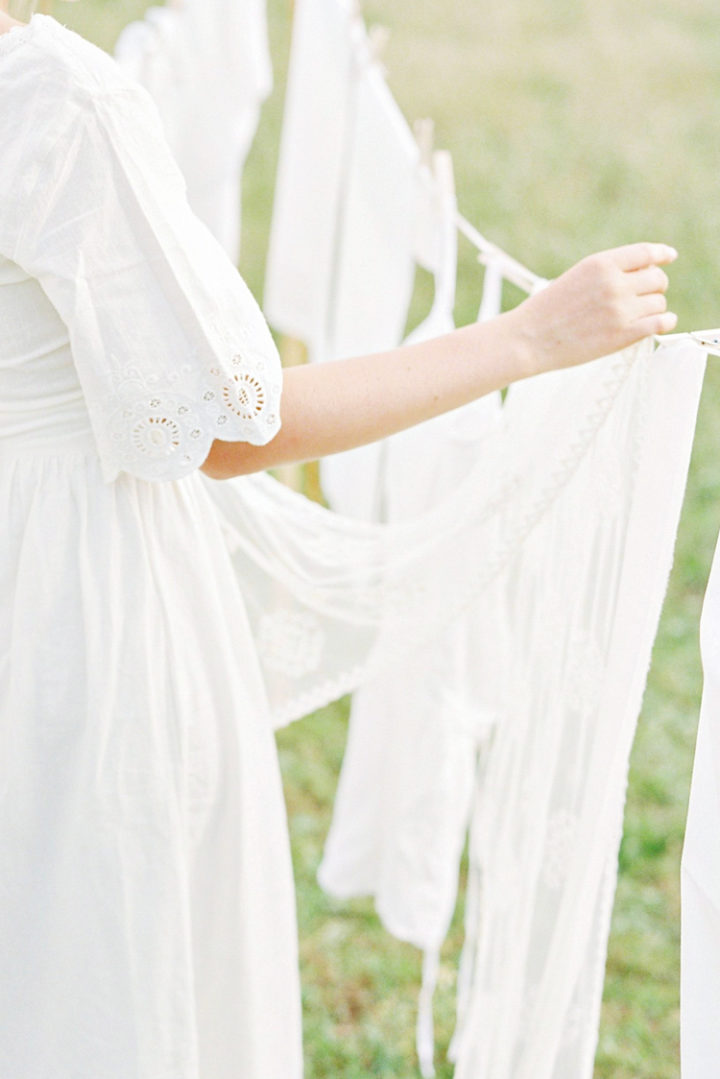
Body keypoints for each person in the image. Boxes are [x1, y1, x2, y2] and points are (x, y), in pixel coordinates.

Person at [0, 4, 678, 1079]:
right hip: (66, 628)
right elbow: (232, 424)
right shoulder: (51, 99)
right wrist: (529, 335)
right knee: (96, 978)